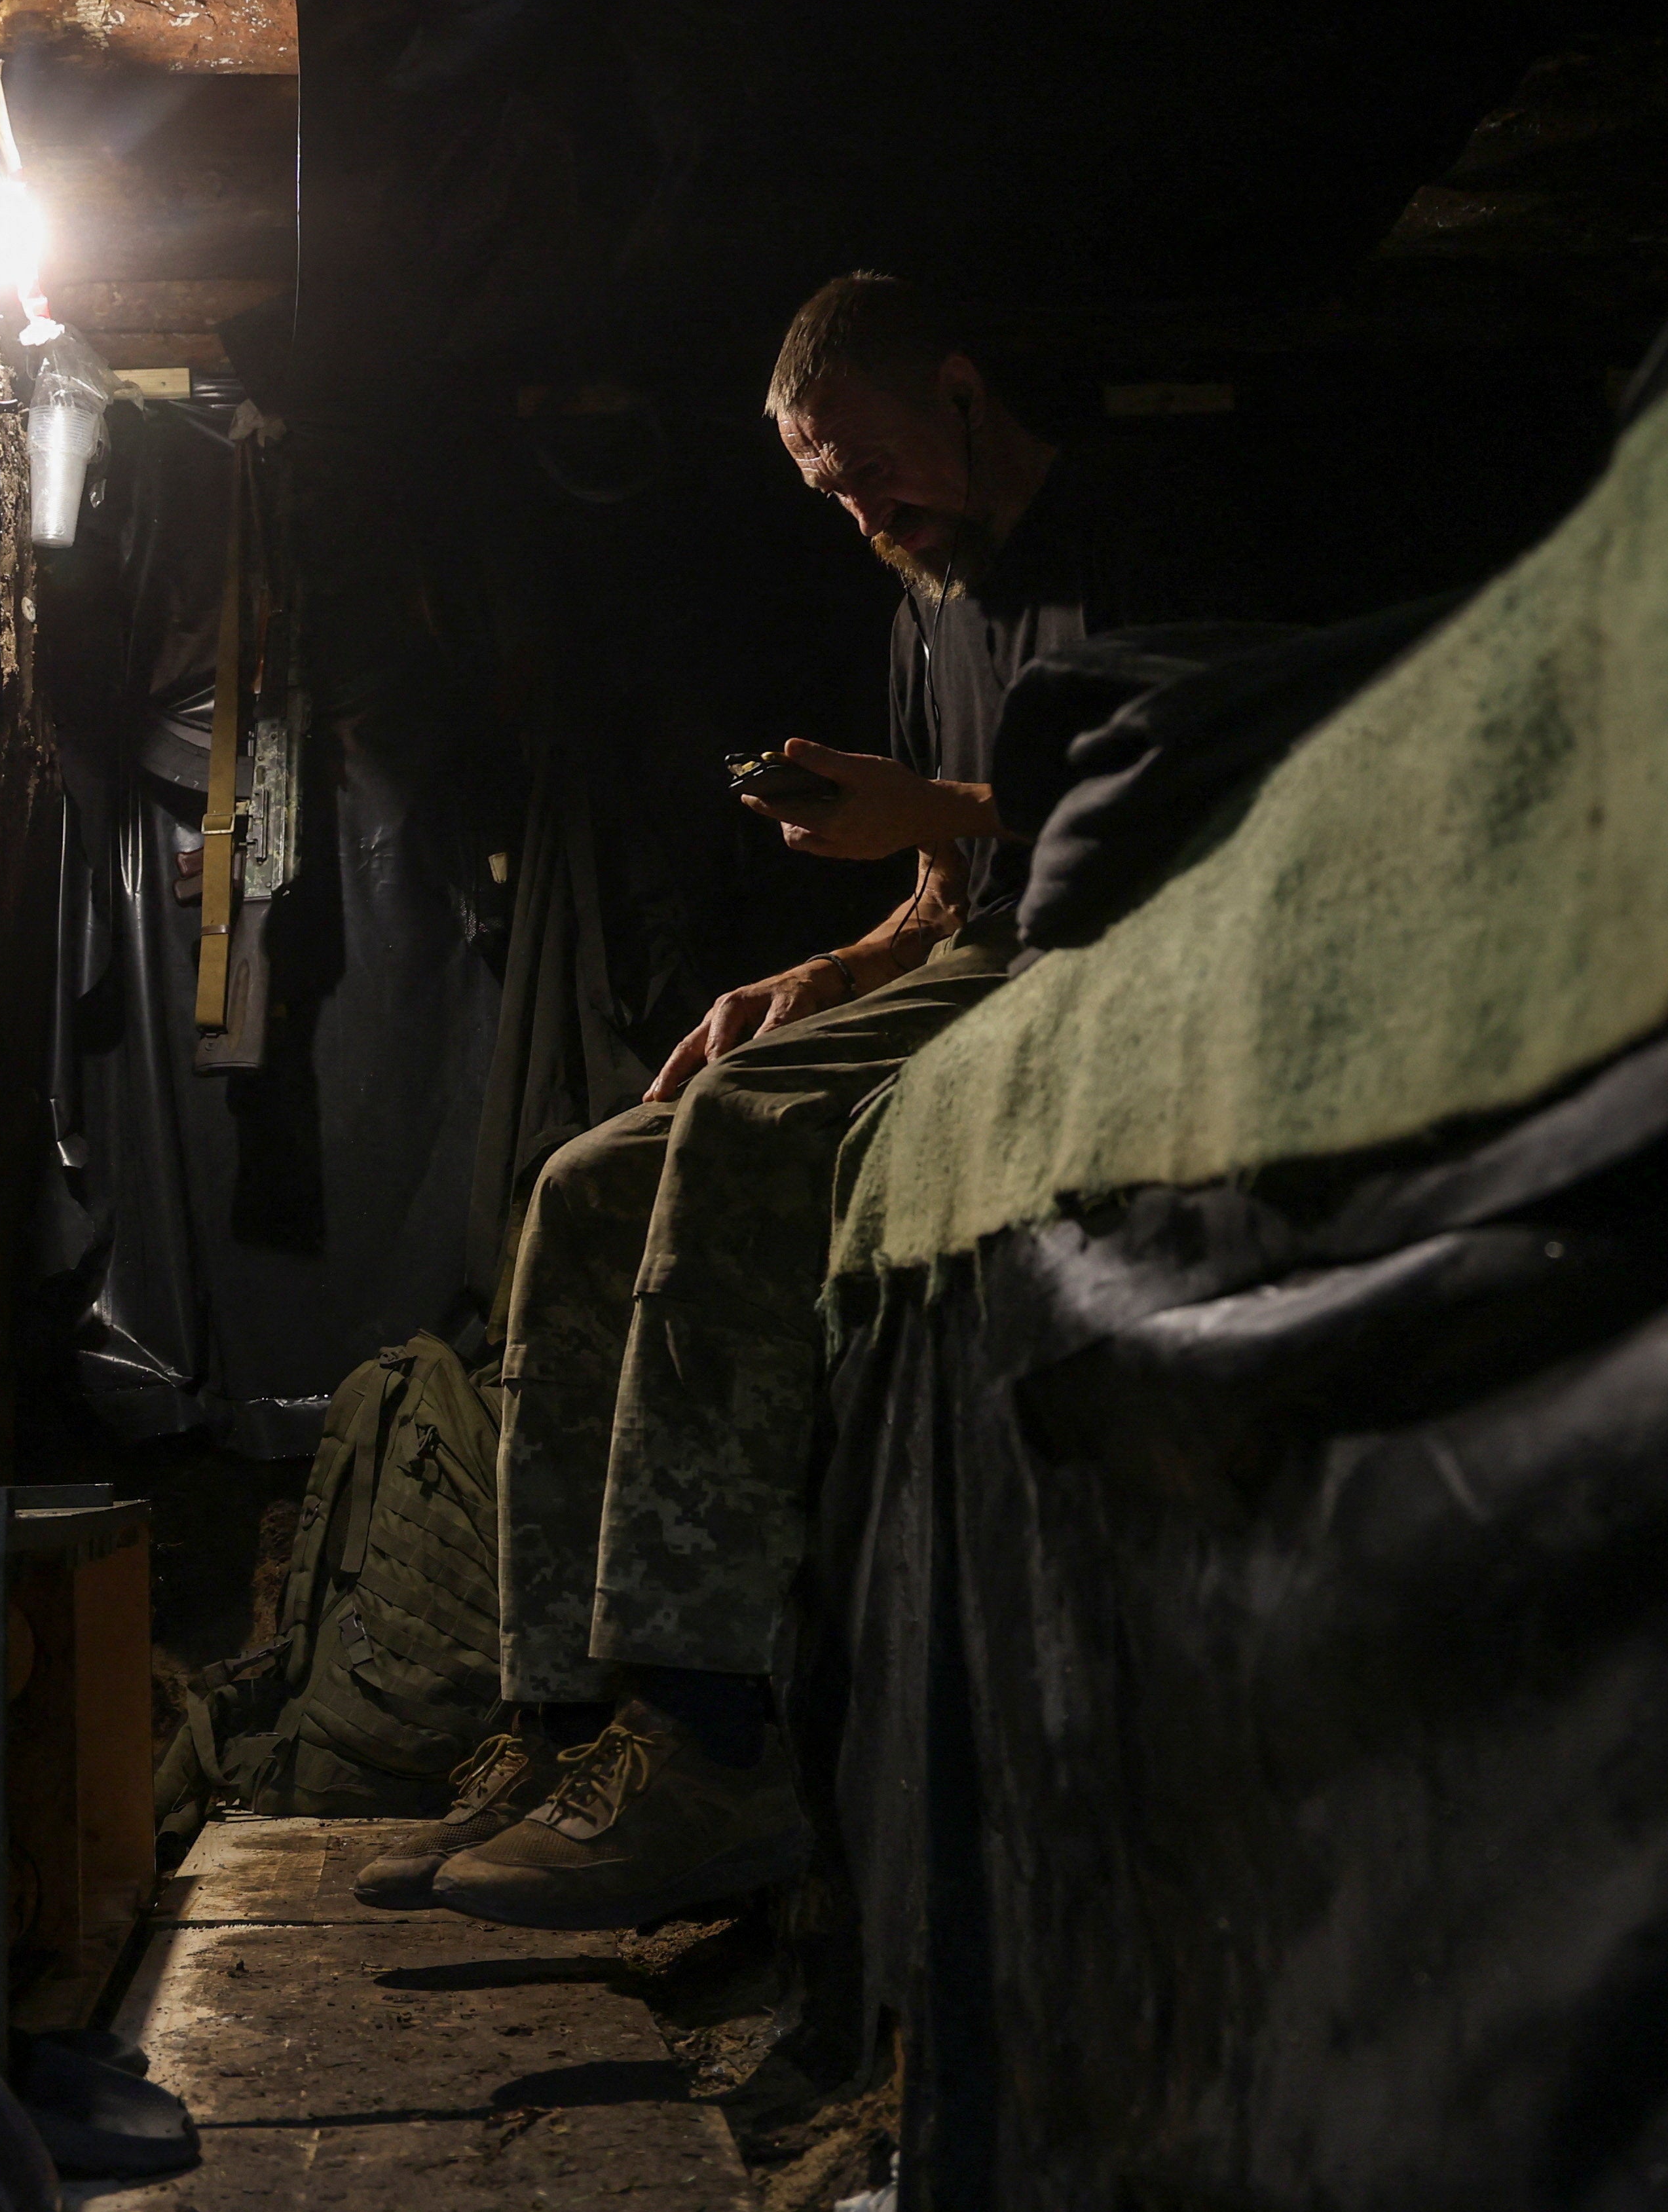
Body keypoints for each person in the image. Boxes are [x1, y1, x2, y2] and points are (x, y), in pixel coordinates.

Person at [370, 271, 1289, 1928]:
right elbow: (943, 892)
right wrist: (816, 973)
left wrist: (927, 813)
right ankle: (561, 1719)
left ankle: (706, 1742)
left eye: (871, 466)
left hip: (1112, 956)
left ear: (957, 388)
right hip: (978, 955)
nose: (864, 510)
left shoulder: (1131, 539)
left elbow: (1176, 809)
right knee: (584, 1177)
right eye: (830, 492)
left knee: (747, 1137)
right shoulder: (921, 603)